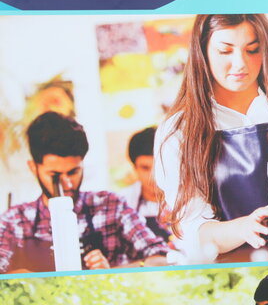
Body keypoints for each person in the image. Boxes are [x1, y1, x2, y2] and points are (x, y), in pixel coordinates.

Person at [154, 14, 268, 263]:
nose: (240, 64)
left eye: (252, 50)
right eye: (225, 51)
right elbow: (198, 232)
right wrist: (243, 228)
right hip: (234, 275)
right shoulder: (178, 131)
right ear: (202, 52)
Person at [0, 111, 168, 273]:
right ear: (33, 167)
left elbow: (161, 259)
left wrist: (111, 273)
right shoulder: (15, 222)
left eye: (73, 172)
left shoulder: (111, 206)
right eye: (55, 175)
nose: (66, 184)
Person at [120, 126, 170, 242]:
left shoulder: (189, 200)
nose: (153, 177)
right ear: (135, 168)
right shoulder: (123, 202)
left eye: (159, 168)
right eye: (145, 168)